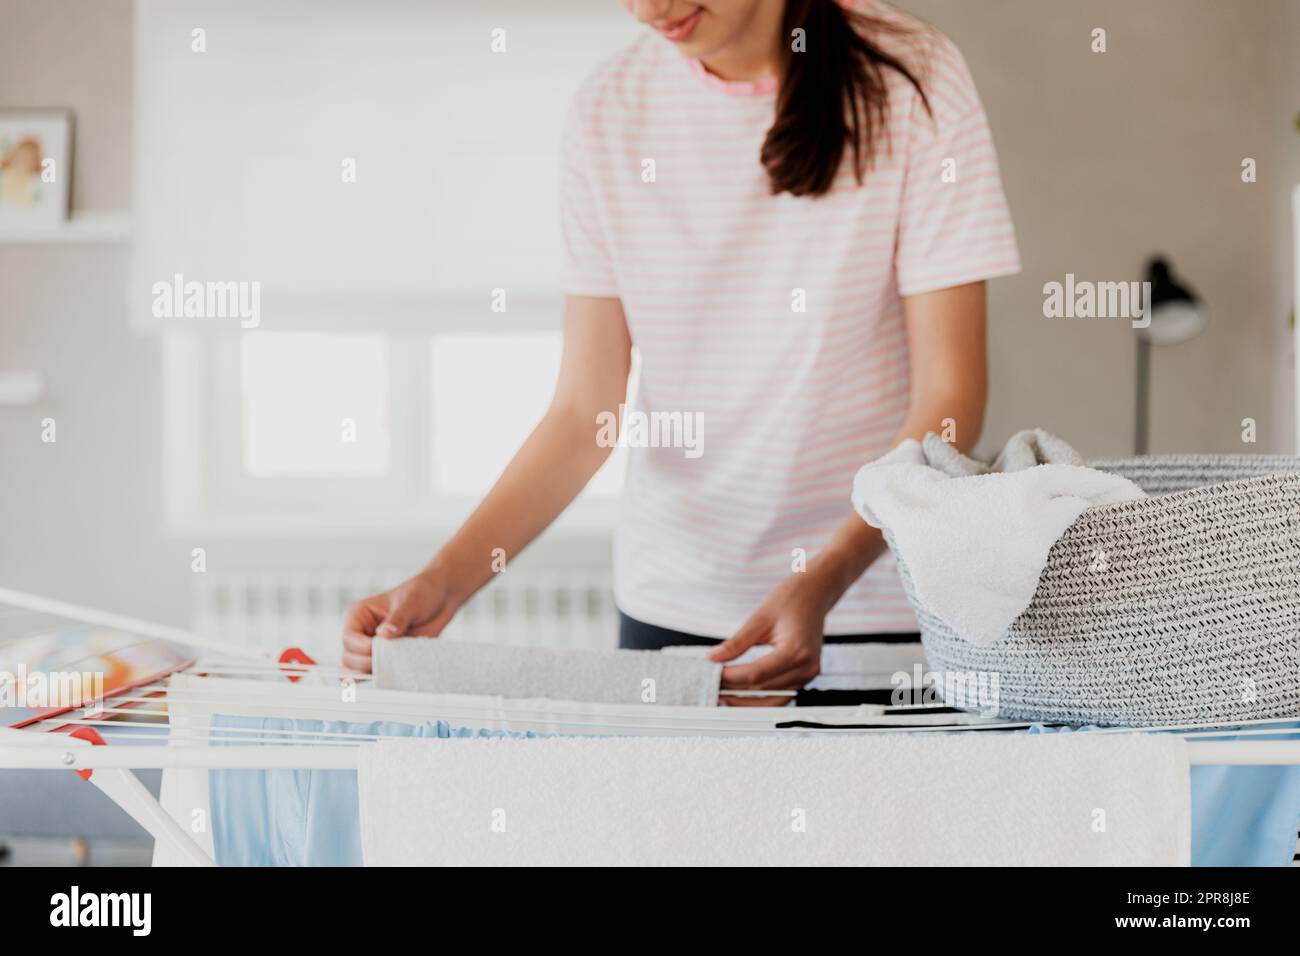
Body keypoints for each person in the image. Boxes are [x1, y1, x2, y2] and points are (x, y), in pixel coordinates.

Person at [342, 0, 1019, 702]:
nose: (647, 9)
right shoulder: (609, 110)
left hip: (873, 605)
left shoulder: (915, 77)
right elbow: (584, 415)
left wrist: (827, 574)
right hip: (674, 609)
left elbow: (949, 399)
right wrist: (444, 582)